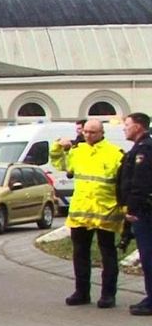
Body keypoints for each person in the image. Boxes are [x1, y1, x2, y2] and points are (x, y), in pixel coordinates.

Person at [50, 118, 125, 308]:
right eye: (86, 132)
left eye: (92, 132)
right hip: (81, 212)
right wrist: (58, 146)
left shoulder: (114, 153)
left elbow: (122, 183)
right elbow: (60, 165)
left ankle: (108, 294)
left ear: (101, 133)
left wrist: (124, 208)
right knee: (80, 254)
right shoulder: (78, 151)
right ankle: (81, 292)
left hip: (105, 211)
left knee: (107, 254)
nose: (88, 135)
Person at [118, 112, 152, 316]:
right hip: (143, 209)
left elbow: (139, 183)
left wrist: (131, 209)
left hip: (144, 211)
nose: (124, 128)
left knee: (148, 256)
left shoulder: (144, 150)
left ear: (138, 127)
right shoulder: (140, 148)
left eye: (127, 125)